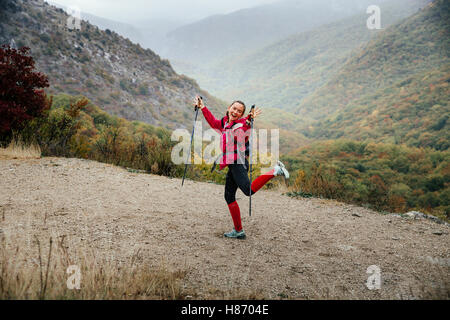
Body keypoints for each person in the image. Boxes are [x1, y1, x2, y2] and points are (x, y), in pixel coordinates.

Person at [194, 96, 289, 240]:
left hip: (238, 161)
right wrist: (203, 108)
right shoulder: (225, 122)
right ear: (229, 108)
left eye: (239, 111)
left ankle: (275, 170)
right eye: (234, 108)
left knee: (248, 190)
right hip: (232, 163)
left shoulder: (241, 124)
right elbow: (213, 122)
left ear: (242, 115)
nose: (235, 112)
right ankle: (238, 231)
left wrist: (249, 120)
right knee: (229, 196)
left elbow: (245, 129)